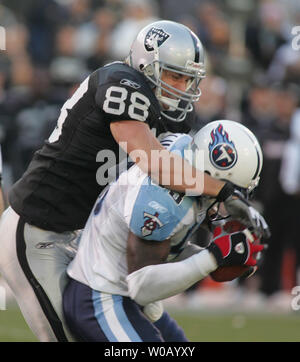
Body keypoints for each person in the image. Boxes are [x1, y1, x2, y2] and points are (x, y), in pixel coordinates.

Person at [0, 21, 266, 342]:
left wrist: (216, 222)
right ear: (145, 64)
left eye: (187, 79)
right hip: (36, 229)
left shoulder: (175, 115)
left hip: (84, 236)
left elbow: (169, 189)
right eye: (173, 75)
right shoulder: (119, 83)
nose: (181, 87)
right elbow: (157, 164)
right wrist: (223, 190)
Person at [63, 120, 269, 342]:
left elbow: (167, 249)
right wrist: (214, 257)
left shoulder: (185, 155)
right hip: (100, 296)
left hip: (123, 294)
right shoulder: (165, 202)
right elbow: (142, 287)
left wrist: (219, 258)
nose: (231, 200)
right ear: (214, 171)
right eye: (232, 192)